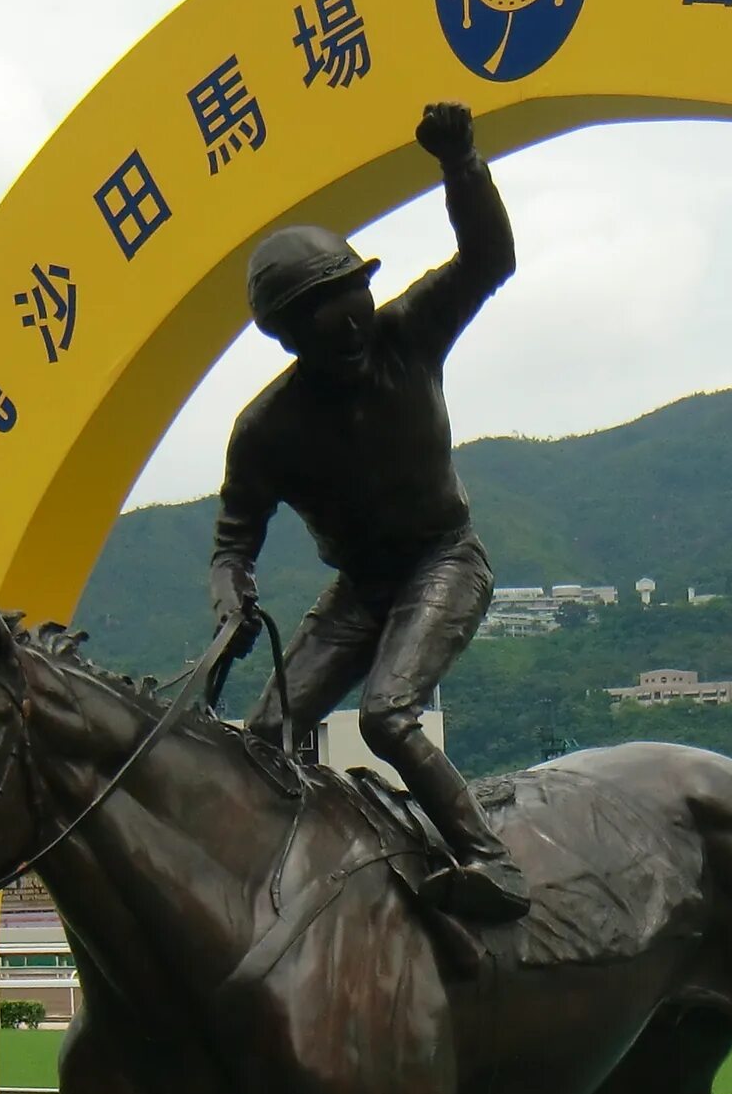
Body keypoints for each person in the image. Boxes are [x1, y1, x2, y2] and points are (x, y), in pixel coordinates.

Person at [208, 98, 531, 923]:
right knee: (263, 736)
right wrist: (231, 597)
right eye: (321, 328)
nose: (348, 334)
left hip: (443, 559)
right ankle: (297, 879)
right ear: (285, 340)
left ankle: (488, 859)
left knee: (388, 714)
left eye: (352, 309)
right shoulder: (266, 430)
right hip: (360, 588)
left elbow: (489, 257)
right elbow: (232, 542)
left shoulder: (409, 333)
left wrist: (461, 164)